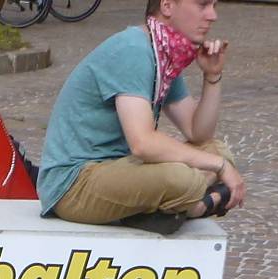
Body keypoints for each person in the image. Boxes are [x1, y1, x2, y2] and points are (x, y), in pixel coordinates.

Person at [37, 0, 244, 225]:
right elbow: (143, 143)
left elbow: (198, 133)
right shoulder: (133, 50)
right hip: (73, 185)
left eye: (214, 6)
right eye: (202, 5)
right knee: (183, 177)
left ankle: (173, 206)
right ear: (167, 6)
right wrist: (219, 166)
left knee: (217, 150)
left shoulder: (162, 54)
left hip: (120, 169)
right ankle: (194, 206)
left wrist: (212, 76)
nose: (212, 15)